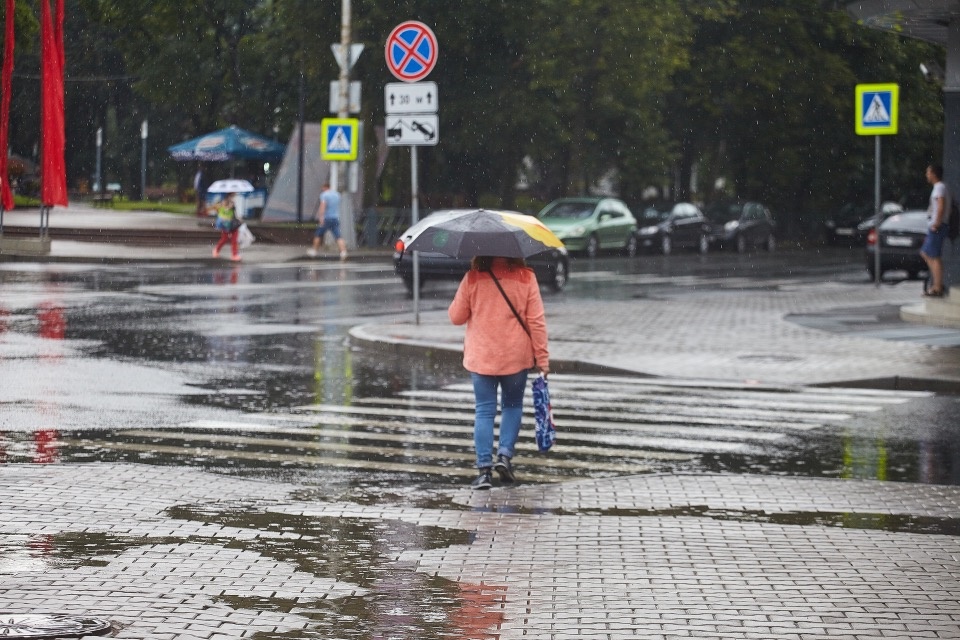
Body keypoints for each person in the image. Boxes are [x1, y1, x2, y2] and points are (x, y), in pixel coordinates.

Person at [448, 255, 550, 490]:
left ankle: (484, 470)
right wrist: (542, 359)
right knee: (512, 406)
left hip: (482, 356)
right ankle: (504, 457)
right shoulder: (526, 277)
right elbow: (536, 322)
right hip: (515, 355)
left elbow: (456, 317)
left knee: (484, 410)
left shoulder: (473, 278)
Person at [921, 164, 951, 297]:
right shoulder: (939, 187)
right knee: (926, 253)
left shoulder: (939, 187)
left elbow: (940, 205)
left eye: (928, 172)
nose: (926, 175)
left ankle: (938, 287)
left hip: (937, 226)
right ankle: (937, 284)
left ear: (934, 174)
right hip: (935, 226)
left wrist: (936, 223)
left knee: (933, 256)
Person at [307, 182, 347, 260]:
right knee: (338, 236)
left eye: (322, 188)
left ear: (325, 187)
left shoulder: (324, 195)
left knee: (318, 234)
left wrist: (321, 217)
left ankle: (314, 251)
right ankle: (343, 252)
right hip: (335, 217)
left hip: (327, 218)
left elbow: (323, 206)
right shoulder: (337, 195)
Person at [206, 192, 242, 261]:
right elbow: (221, 215)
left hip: (234, 225)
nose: (234, 197)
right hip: (226, 225)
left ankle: (234, 255)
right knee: (224, 239)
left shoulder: (234, 205)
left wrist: (236, 215)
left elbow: (236, 215)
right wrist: (228, 208)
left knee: (234, 240)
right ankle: (216, 250)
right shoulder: (223, 203)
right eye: (233, 195)